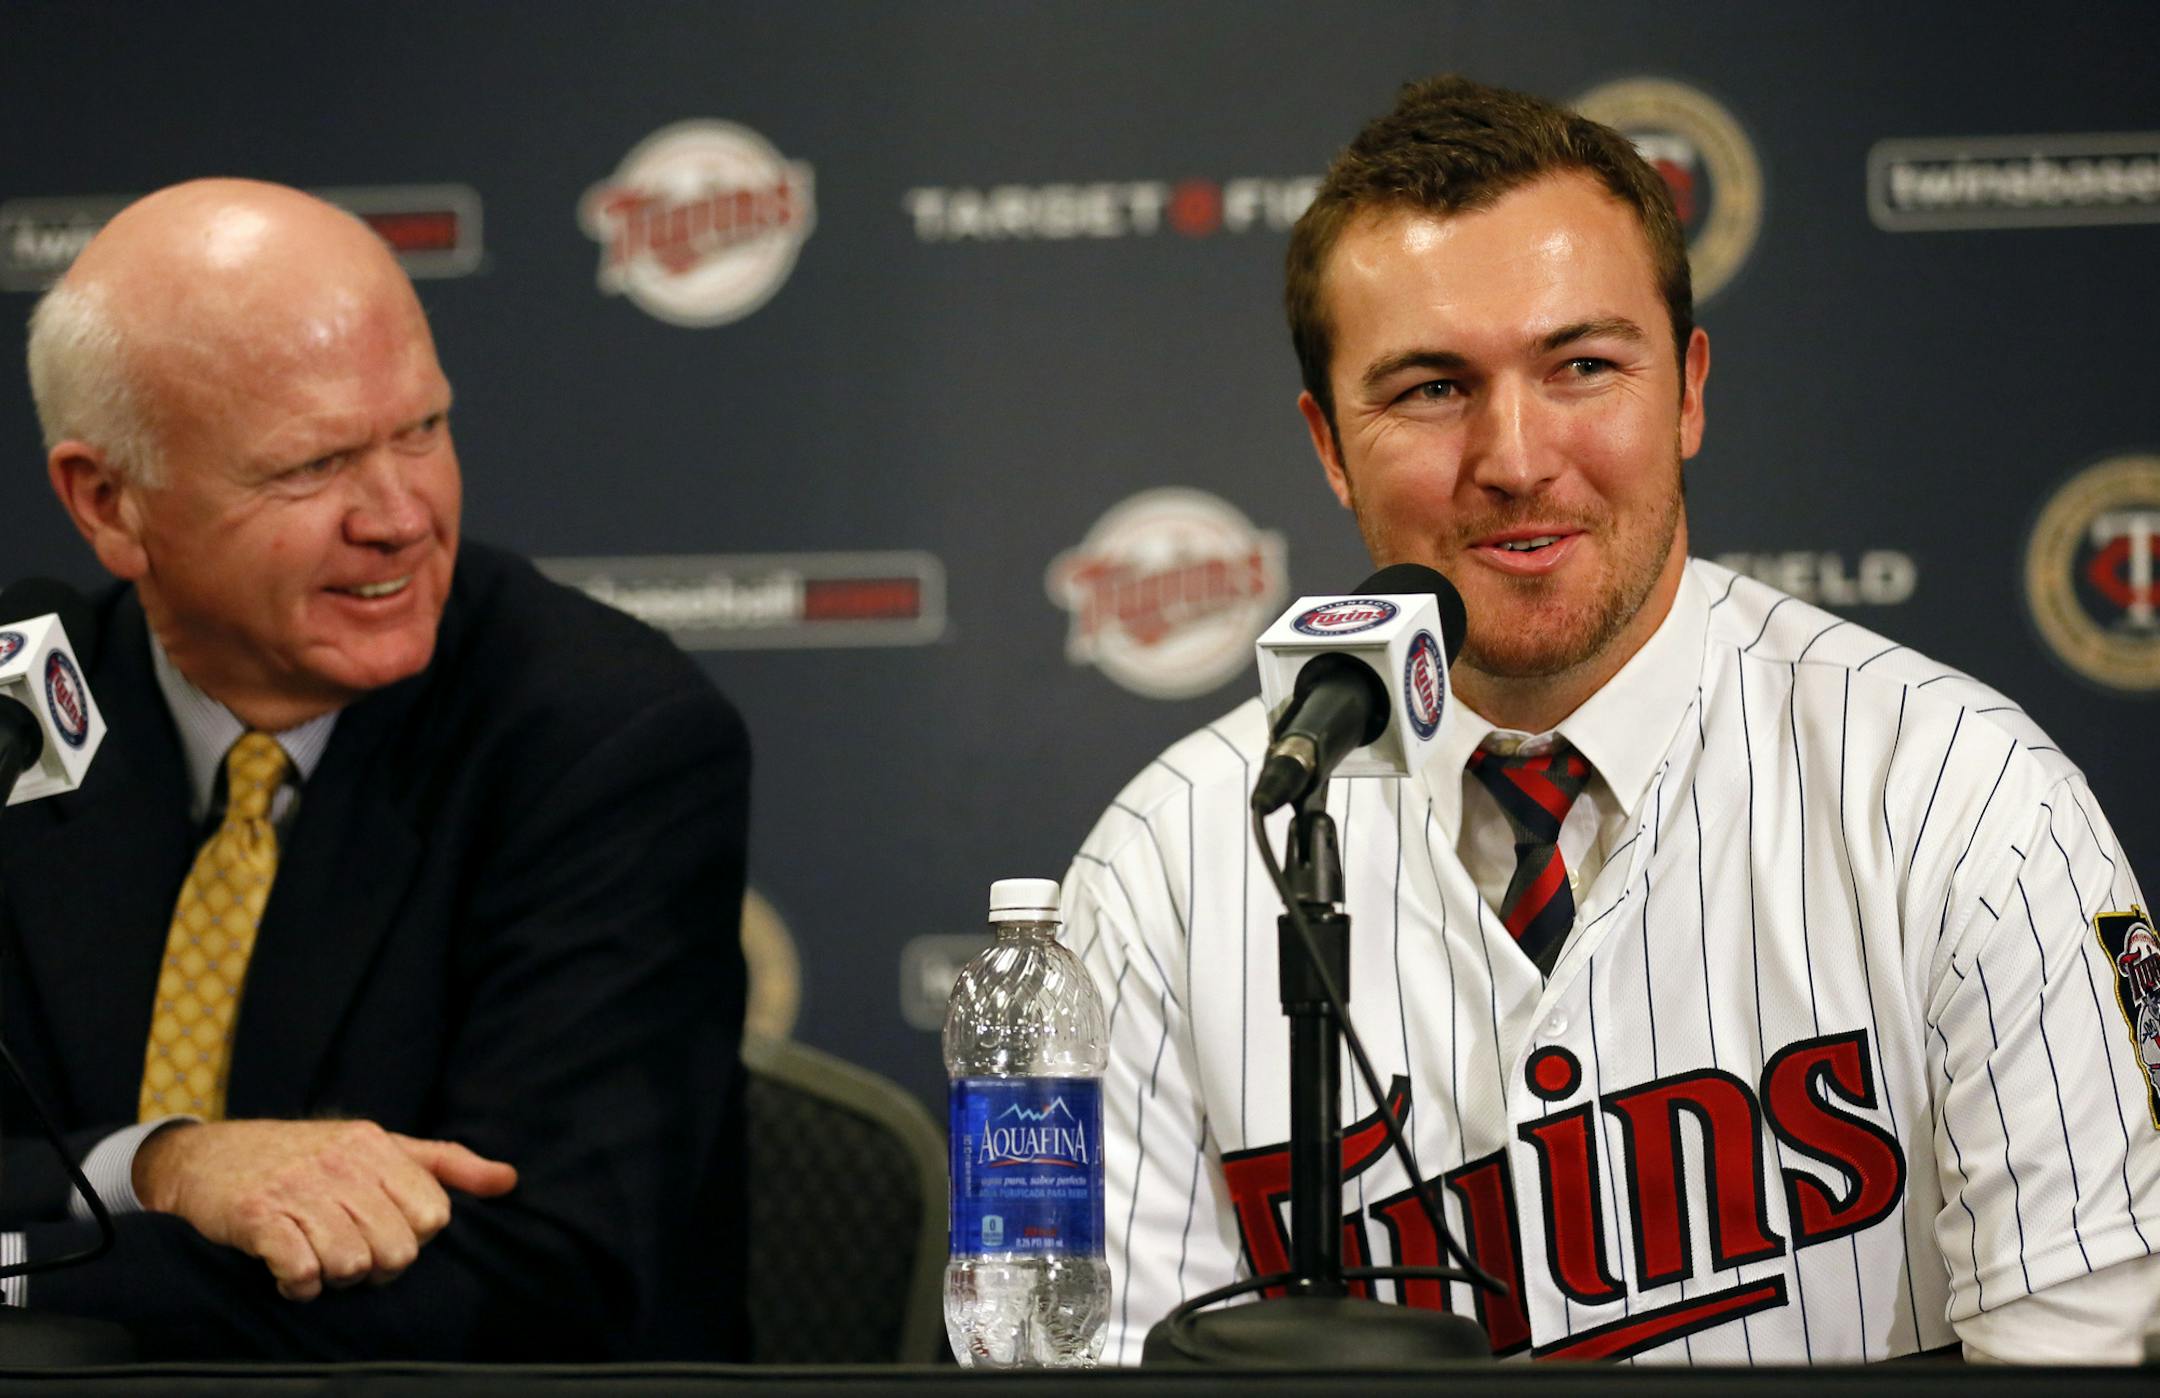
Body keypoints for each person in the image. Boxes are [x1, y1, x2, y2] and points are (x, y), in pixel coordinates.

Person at [1065, 77, 2160, 1364]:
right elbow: (1095, 1366)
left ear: (1687, 391)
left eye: (1583, 365)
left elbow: (2082, 1352)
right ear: (1328, 445)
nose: (1517, 457)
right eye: (1429, 389)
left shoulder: (1960, 798)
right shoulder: (1165, 872)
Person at [0, 179, 752, 1360]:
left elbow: (541, 1271)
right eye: (311, 466)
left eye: (423, 430)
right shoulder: (20, 712)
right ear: (108, 502)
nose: (402, 515)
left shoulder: (605, 737)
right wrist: (166, 1165)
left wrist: (47, 1264)